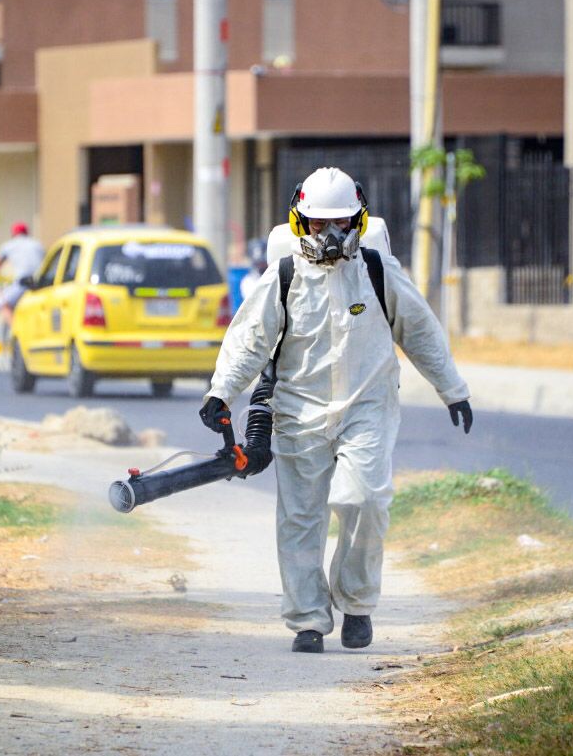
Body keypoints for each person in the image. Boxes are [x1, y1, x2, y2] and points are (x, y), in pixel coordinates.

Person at [200, 167, 472, 654]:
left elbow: (422, 330)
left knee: (365, 499)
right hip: (299, 411)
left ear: (358, 222)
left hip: (367, 407)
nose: (328, 235)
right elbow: (248, 341)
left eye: (339, 224)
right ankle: (308, 619)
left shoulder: (376, 270)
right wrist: (221, 393)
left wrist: (452, 388)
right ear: (300, 223)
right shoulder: (283, 276)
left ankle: (357, 604)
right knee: (301, 518)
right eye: (317, 224)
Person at [0, 222, 46, 331]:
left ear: (13, 234)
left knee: (4, 305)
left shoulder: (9, 245)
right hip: (40, 283)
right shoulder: (37, 244)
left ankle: (17, 331)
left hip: (23, 283)